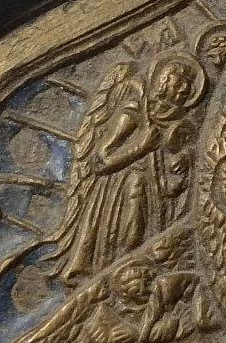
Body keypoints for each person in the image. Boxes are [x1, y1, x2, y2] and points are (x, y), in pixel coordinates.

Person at [45, 53, 206, 283]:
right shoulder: (134, 111)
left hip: (155, 199)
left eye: (188, 84)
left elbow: (172, 171)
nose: (184, 89)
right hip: (120, 194)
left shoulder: (177, 123)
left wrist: (182, 162)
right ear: (163, 80)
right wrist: (141, 147)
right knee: (127, 243)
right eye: (179, 81)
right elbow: (100, 160)